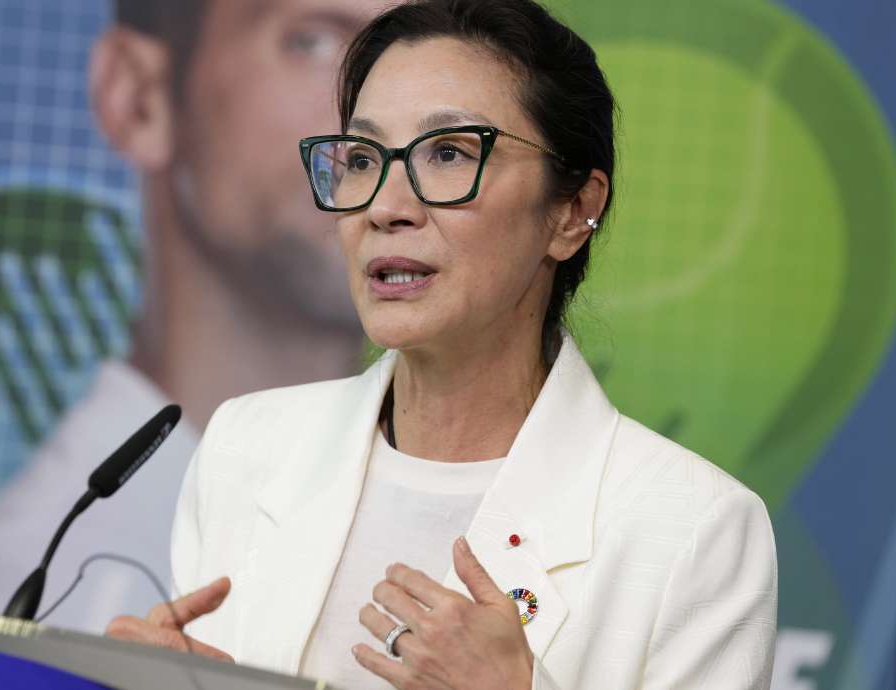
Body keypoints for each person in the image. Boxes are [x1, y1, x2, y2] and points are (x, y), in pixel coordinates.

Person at [107, 1, 778, 688]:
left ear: (573, 211)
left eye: (449, 153)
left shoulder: (693, 527)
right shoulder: (247, 448)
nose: (385, 207)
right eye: (363, 158)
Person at [0, 0, 390, 633]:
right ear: (138, 97)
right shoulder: (27, 589)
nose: (382, 124)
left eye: (413, 50)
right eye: (309, 43)